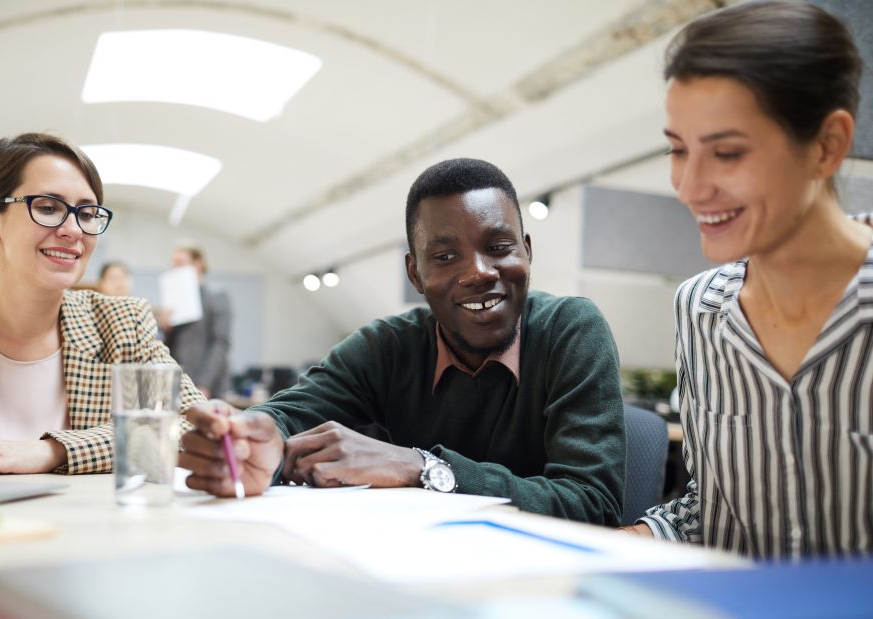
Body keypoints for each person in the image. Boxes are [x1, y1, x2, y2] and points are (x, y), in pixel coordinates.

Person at [181, 158, 627, 524]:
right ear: (415, 273)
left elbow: (592, 504)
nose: (479, 272)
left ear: (526, 251)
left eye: (498, 246)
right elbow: (286, 415)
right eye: (446, 256)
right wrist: (256, 445)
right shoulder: (387, 347)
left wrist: (423, 467)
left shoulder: (571, 330)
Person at [620, 0, 873, 557]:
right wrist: (629, 541)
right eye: (678, 150)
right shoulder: (699, 309)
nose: (689, 186)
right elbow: (712, 507)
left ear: (827, 145)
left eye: (727, 153)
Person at [0, 133, 204, 476]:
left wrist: (53, 450)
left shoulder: (121, 324)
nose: (73, 229)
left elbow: (190, 426)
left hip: (87, 528)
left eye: (87, 213)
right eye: (48, 208)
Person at [161, 243, 232, 399]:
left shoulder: (216, 296)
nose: (175, 269)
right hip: (178, 382)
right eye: (173, 264)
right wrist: (165, 328)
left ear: (198, 264)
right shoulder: (175, 300)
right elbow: (169, 346)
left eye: (180, 263)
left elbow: (220, 343)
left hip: (207, 386)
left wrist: (204, 384)